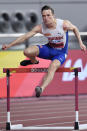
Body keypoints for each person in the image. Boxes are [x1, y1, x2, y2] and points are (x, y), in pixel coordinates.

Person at [2, 5, 86, 97]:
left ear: (53, 16)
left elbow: (75, 29)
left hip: (60, 54)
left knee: (53, 66)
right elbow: (25, 37)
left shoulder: (63, 24)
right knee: (27, 51)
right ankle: (34, 61)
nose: (46, 18)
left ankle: (41, 88)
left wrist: (81, 43)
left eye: (48, 15)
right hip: (49, 49)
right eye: (43, 16)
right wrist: (10, 45)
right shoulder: (41, 27)